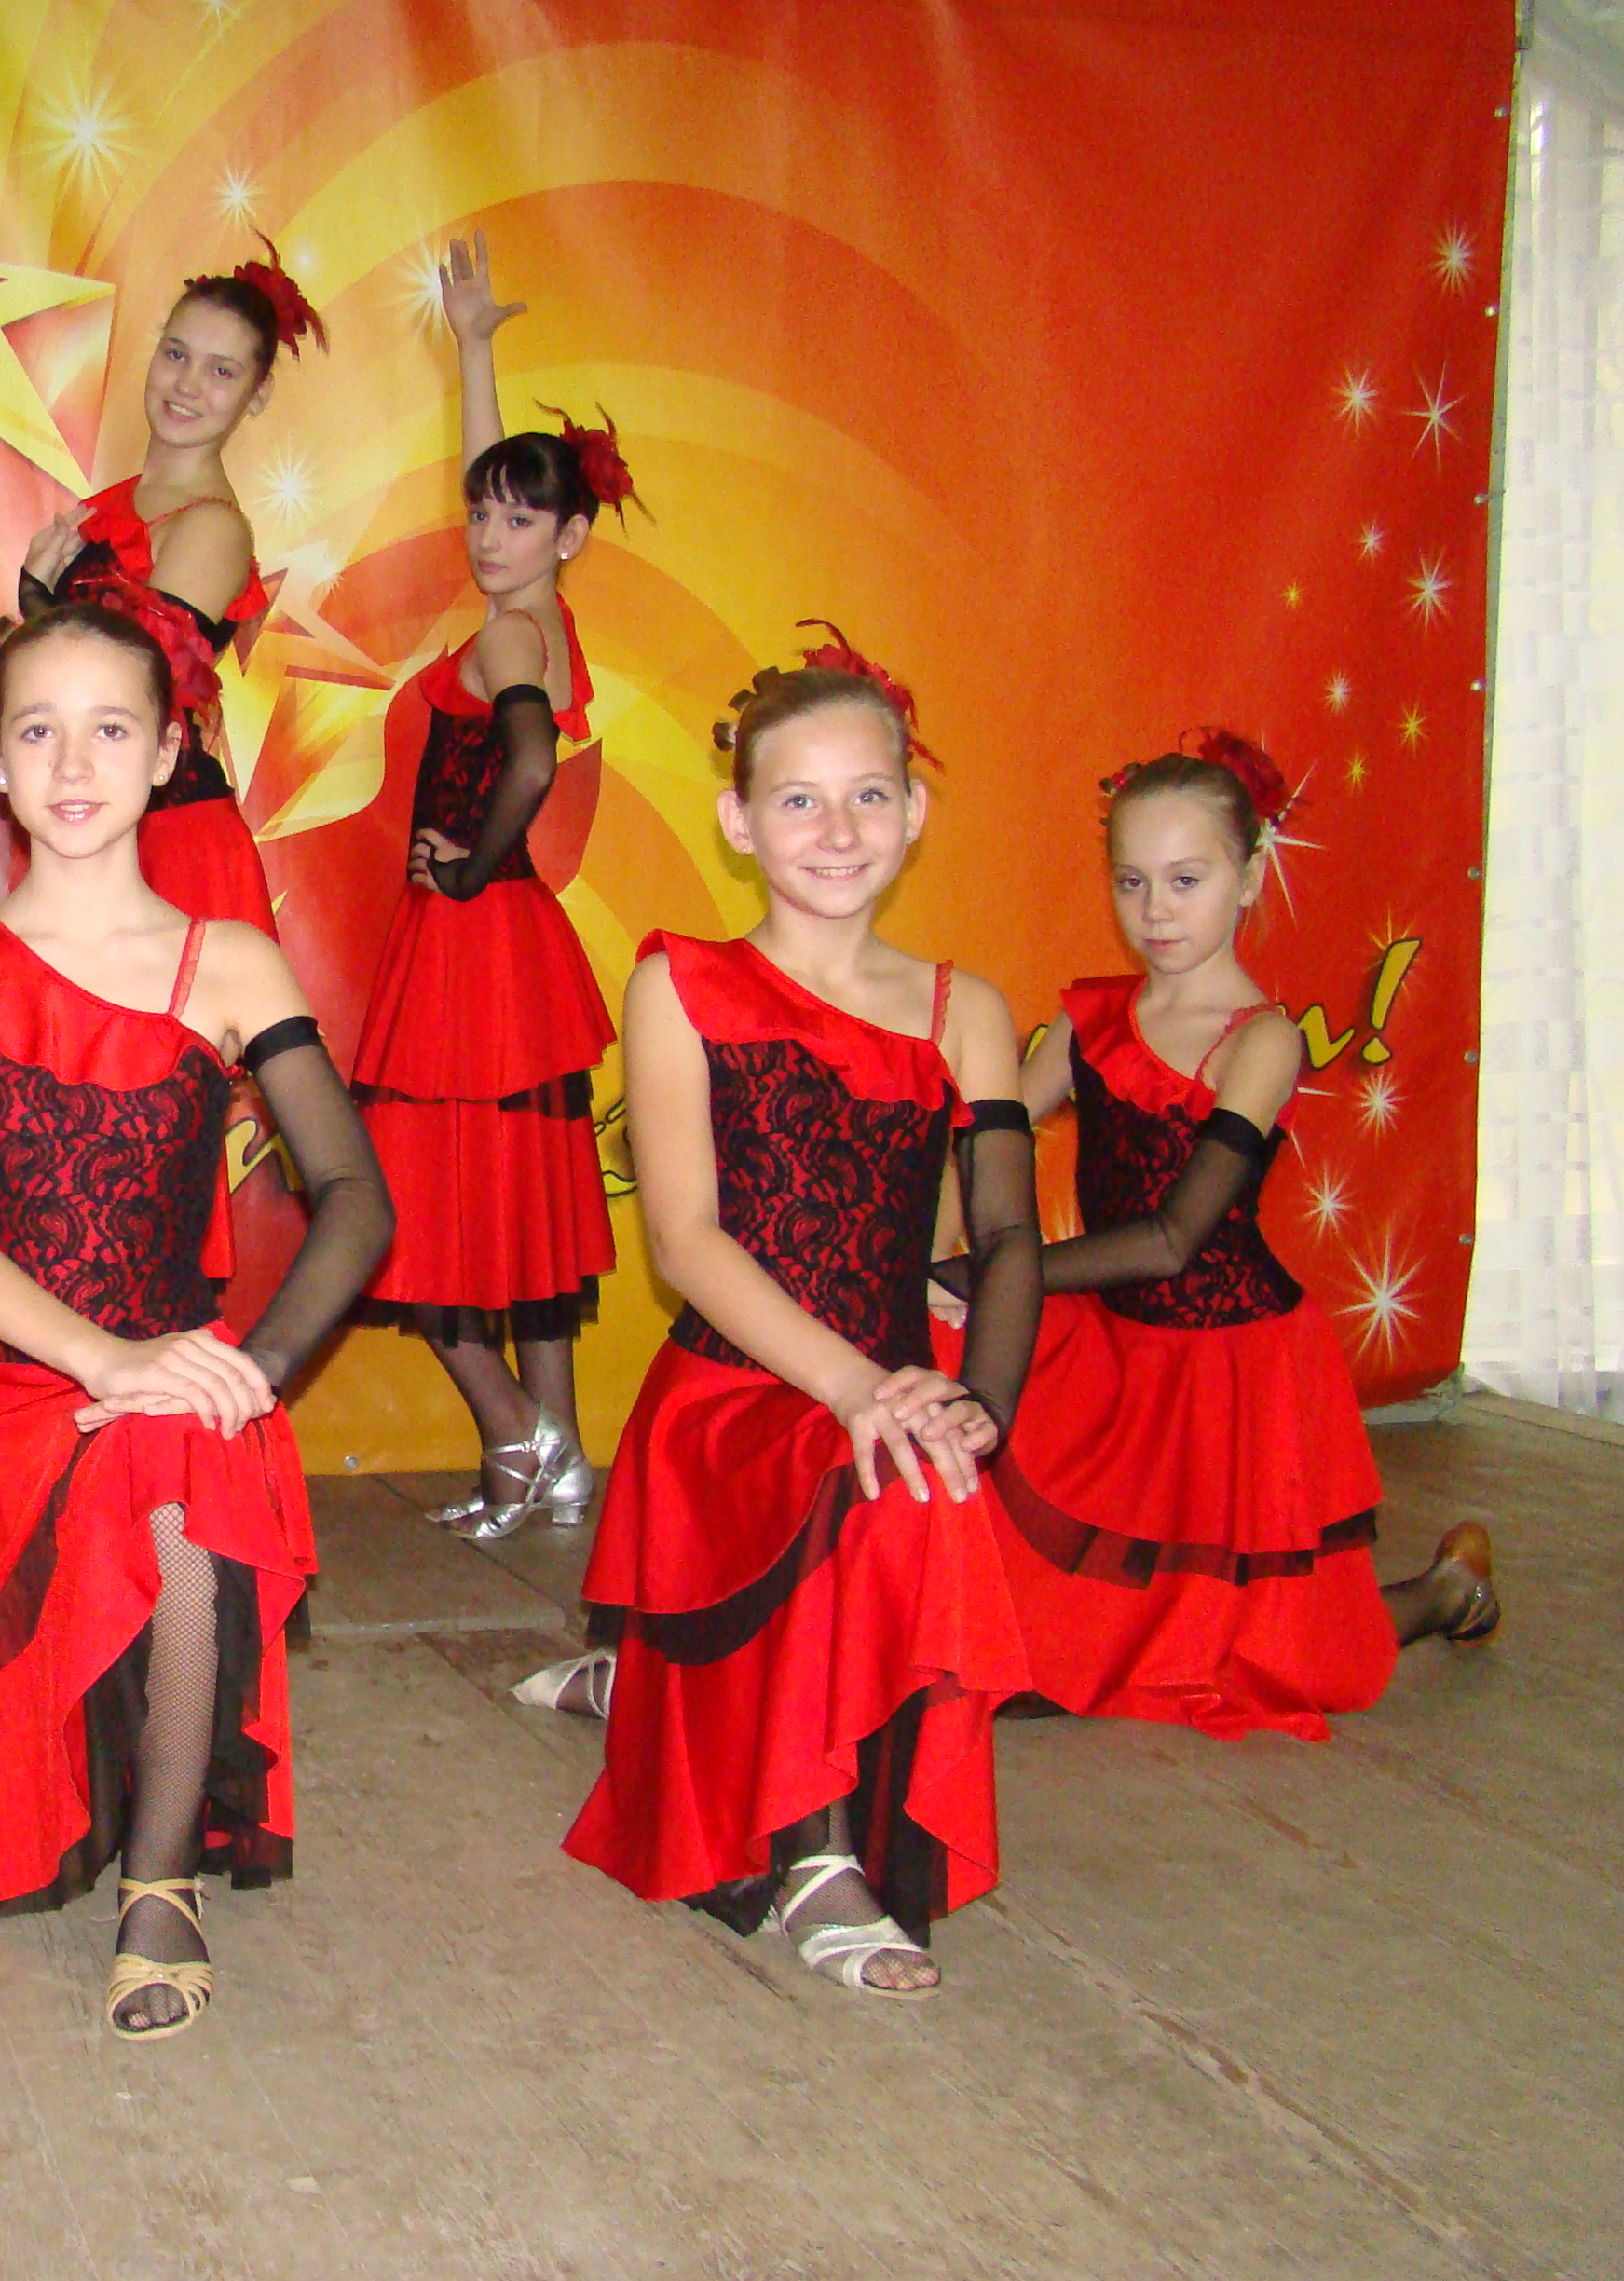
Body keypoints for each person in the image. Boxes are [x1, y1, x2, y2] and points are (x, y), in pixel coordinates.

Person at [0, 603, 390, 2041]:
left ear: (166, 753)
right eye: (38, 731)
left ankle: (164, 1882)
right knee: (159, 1430)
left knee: (181, 1458)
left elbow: (354, 1197)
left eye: (109, 729)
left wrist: (249, 1372)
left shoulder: (233, 964)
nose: (73, 763)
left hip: (166, 1388)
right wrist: (113, 1360)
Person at [533, 631, 1044, 1999]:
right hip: (734, 1395)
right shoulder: (680, 983)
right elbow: (686, 1242)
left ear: (914, 812)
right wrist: (857, 1389)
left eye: (869, 796)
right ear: (739, 821)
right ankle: (815, 1858)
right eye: (800, 801)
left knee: (920, 1468)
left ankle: (655, 1690)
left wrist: (979, 1405)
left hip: (891, 1376)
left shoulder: (964, 1009)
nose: (838, 830)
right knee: (865, 1456)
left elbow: (1007, 1237)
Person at [924, 732, 1497, 1741]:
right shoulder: (1089, 1019)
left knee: (1293, 1658)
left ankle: (1449, 1591)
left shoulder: (1263, 1040)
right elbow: (977, 1137)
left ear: (1252, 875)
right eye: (1132, 881)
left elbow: (1173, 1239)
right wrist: (931, 1258)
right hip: (1114, 1349)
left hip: (1237, 1370)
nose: (1156, 910)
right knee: (935, 1343)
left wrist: (991, 1272)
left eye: (1186, 880)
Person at [350, 235, 624, 1538]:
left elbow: (528, 757)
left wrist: (467, 866)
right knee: (519, 1214)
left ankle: (519, 1437)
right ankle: (554, 1459)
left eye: (519, 520)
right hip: (504, 948)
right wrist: (471, 351)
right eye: (481, 514)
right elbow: (503, 476)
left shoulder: (516, 629)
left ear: (571, 535)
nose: (489, 535)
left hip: (475, 943)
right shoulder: (539, 613)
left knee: (423, 1213)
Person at [6, 238, 324, 933]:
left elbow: (132, 687)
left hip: (168, 847)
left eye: (221, 370)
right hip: (98, 831)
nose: (187, 384)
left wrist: (36, 603)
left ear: (257, 394)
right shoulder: (110, 507)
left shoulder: (211, 528)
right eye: (176, 354)